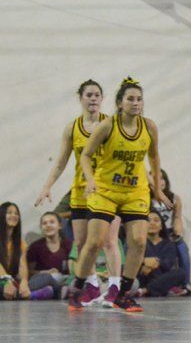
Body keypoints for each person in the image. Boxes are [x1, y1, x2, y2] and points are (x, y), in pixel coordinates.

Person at [68, 77, 172, 312]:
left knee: (139, 241)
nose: (136, 103)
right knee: (94, 243)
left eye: (139, 99)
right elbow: (85, 155)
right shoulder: (107, 126)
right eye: (130, 99)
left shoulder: (149, 127)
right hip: (106, 190)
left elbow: (154, 157)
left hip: (135, 190)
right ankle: (77, 288)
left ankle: (123, 294)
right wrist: (91, 179)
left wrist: (157, 188)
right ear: (119, 103)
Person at [35, 80, 123, 307]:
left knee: (109, 241)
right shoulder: (72, 128)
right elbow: (61, 162)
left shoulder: (112, 124)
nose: (93, 98)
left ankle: (115, 287)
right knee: (82, 243)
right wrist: (47, 186)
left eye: (97, 95)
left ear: (102, 99)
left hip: (107, 192)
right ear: (80, 98)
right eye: (89, 95)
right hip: (81, 192)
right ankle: (92, 286)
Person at [150, 169, 191, 296]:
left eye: (162, 178)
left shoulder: (174, 198)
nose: (159, 182)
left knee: (182, 248)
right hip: (151, 234)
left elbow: (177, 217)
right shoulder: (145, 199)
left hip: (168, 232)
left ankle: (186, 284)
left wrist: (178, 231)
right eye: (155, 179)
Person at [136, 211, 187, 297]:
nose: (152, 223)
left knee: (180, 273)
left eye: (156, 220)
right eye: (148, 220)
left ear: (161, 226)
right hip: (142, 275)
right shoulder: (136, 242)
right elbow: (130, 261)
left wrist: (156, 262)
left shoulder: (169, 243)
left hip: (162, 277)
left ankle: (146, 290)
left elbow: (168, 264)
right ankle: (161, 290)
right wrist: (144, 261)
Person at [27, 212, 73, 299]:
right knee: (48, 278)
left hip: (64, 280)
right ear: (41, 228)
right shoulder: (35, 246)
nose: (48, 225)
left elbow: (72, 271)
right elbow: (29, 272)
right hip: (44, 280)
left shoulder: (68, 245)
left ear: (60, 226)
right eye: (44, 223)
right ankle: (58, 292)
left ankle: (54, 292)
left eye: (52, 222)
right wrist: (45, 272)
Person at [0, 202, 31, 300]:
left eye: (16, 213)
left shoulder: (21, 243)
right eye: (9, 212)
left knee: (46, 278)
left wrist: (24, 282)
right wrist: (6, 281)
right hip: (4, 280)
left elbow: (23, 265)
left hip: (12, 281)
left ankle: (19, 293)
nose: (13, 215)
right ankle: (32, 295)